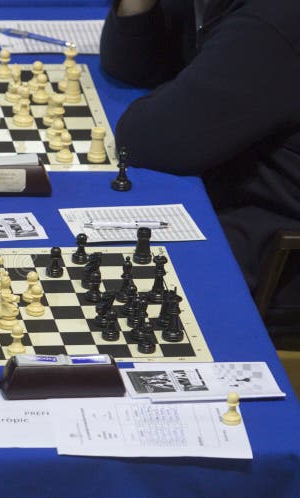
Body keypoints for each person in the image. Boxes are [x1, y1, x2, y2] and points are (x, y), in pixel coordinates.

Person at [101, 0, 300, 343]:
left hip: (276, 263)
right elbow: (131, 67)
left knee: (101, 288)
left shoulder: (274, 20)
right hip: (232, 201)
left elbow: (150, 140)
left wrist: (177, 99)